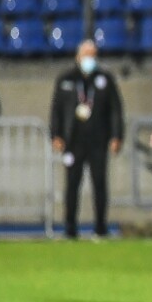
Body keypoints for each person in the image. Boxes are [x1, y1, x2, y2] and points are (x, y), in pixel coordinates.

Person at [50, 40, 124, 239]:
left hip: (98, 140)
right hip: (73, 140)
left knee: (99, 184)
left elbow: (115, 110)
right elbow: (56, 110)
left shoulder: (105, 79)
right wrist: (55, 134)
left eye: (93, 55)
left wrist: (117, 135)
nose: (89, 59)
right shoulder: (66, 79)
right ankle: (70, 228)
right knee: (72, 185)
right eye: (86, 54)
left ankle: (100, 227)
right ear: (78, 56)